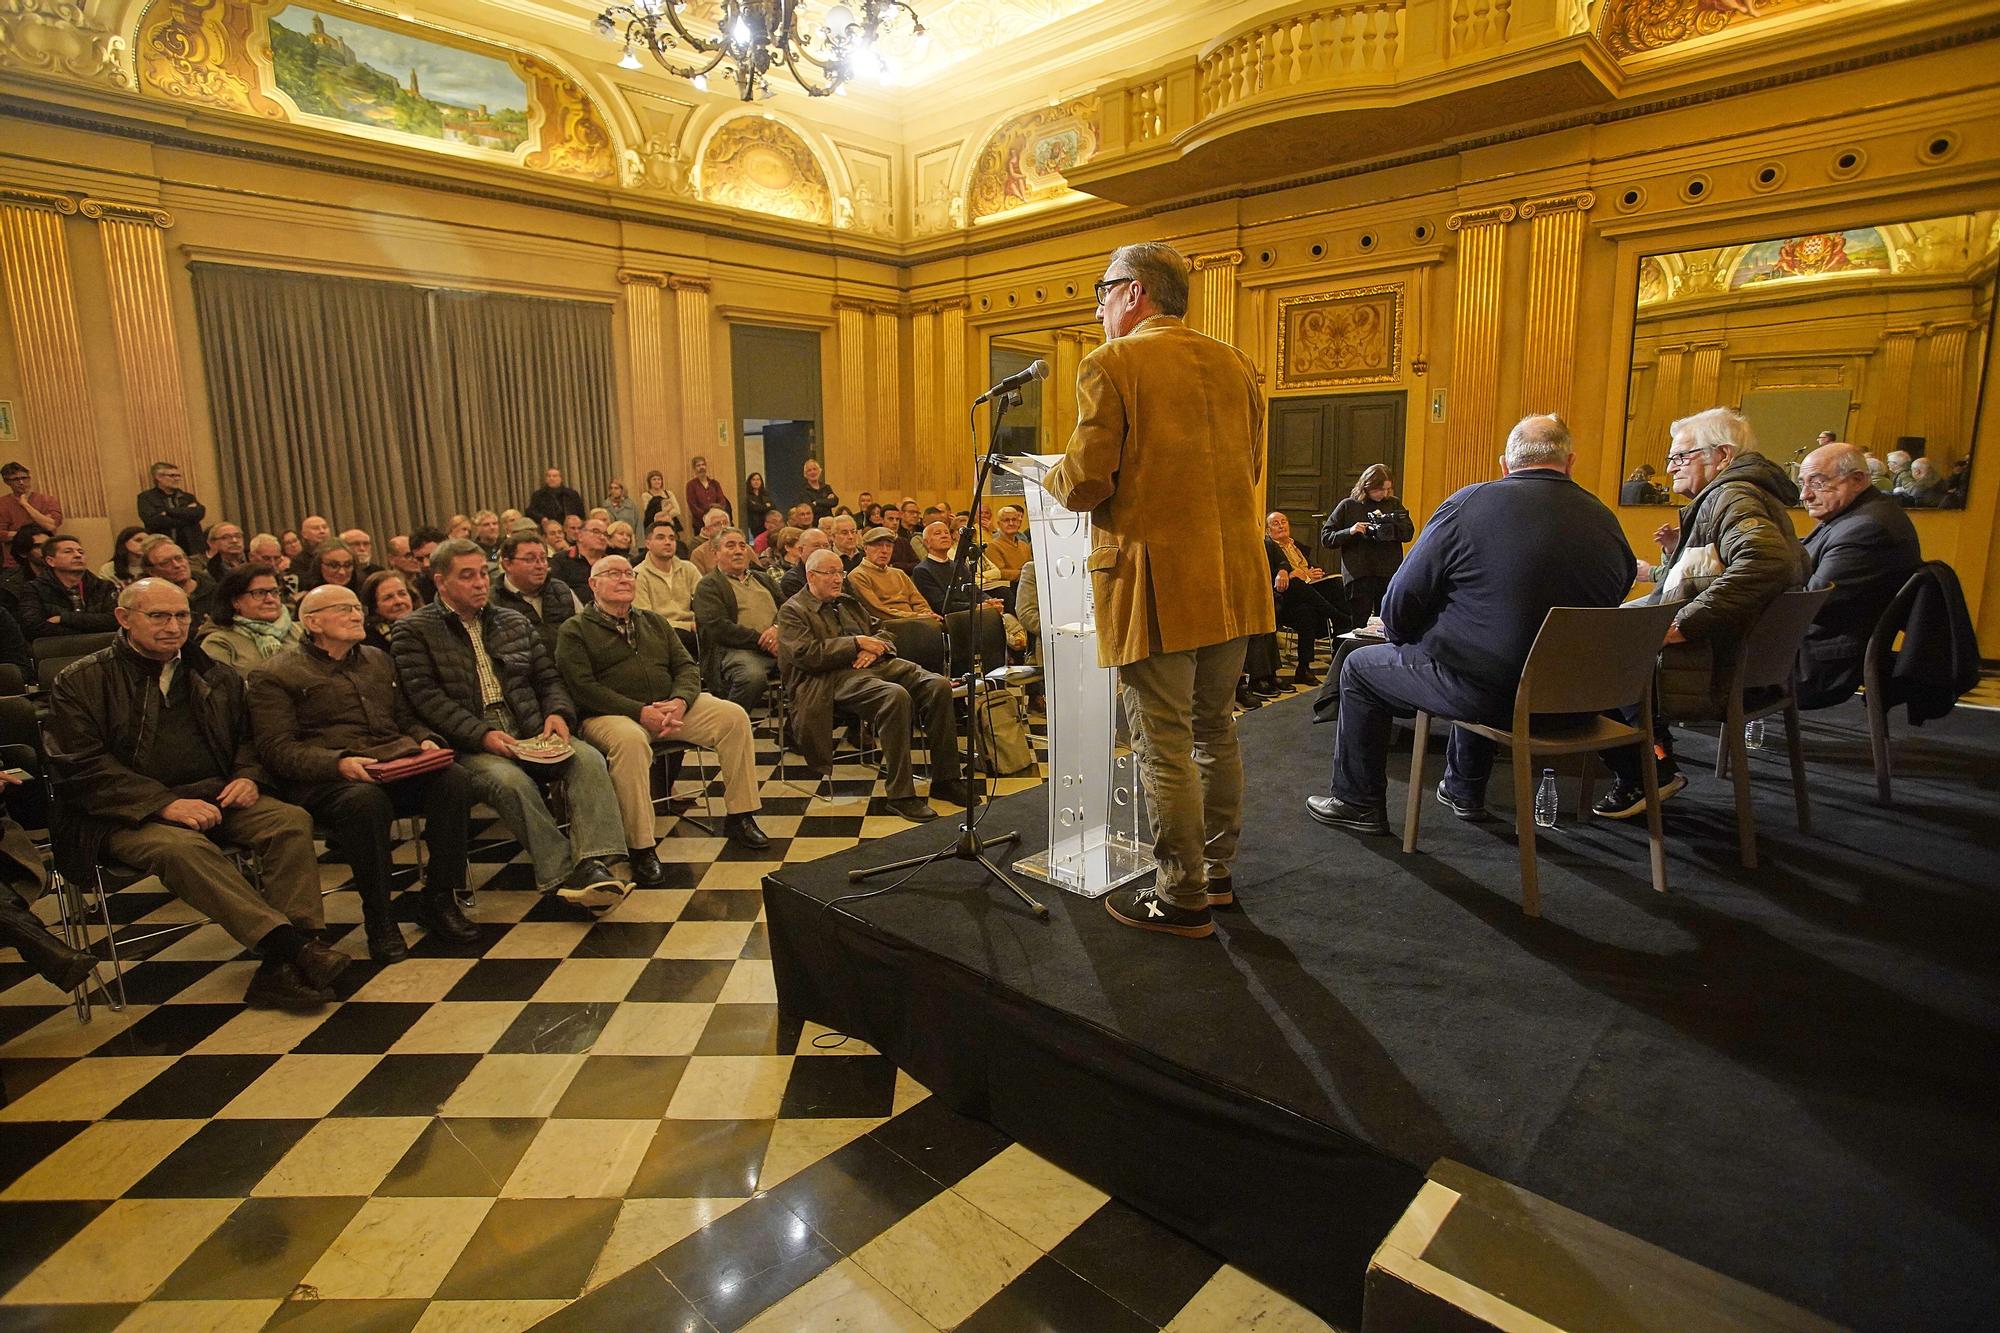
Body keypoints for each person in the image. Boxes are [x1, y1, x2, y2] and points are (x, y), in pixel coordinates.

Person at [1043, 242, 1271, 938]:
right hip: (1232, 577)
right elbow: (1254, 464)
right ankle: (1216, 872)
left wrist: (1044, 475)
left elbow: (1085, 482)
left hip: (1154, 583)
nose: (1099, 305)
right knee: (1214, 731)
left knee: (1162, 741)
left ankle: (1181, 893)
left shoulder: (1112, 363)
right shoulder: (1234, 361)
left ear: (1135, 292)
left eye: (1103, 289)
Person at [1308, 415, 1634, 835]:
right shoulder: (1605, 518)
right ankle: (1462, 788)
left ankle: (1357, 802)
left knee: (1359, 667)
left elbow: (1399, 603)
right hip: (1585, 702)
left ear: (1504, 464)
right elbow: (1619, 590)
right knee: (1485, 648)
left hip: (1493, 698)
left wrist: (1409, 640)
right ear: (1570, 463)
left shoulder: (1469, 504)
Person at [45, 579, 348, 1010]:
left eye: (182, 615)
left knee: (288, 820)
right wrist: (163, 803)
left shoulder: (213, 673)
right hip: (120, 813)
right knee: (181, 848)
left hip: (213, 796)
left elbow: (249, 739)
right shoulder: (81, 680)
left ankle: (289, 962)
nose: (173, 626)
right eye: (159, 616)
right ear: (123, 618)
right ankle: (291, 948)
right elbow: (79, 765)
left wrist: (248, 777)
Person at [391, 540, 628, 910]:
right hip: (467, 743)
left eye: (483, 574)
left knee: (587, 759)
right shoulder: (413, 630)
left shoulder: (511, 621)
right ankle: (562, 877)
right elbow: (425, 700)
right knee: (511, 781)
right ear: (440, 582)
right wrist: (482, 735)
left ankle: (594, 863)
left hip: (529, 726)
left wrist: (557, 714)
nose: (479, 583)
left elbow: (548, 679)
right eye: (466, 576)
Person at [1593, 407, 1805, 818]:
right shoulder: (1746, 494)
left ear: (1721, 455)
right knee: (1609, 641)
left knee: (1588, 660)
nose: (1670, 468)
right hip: (1738, 663)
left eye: (1681, 456)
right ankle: (1654, 760)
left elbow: (1767, 563)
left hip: (1709, 667)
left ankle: (1648, 772)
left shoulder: (1732, 495)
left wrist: (1684, 624)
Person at [249, 583, 479, 961]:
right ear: (312, 622)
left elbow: (405, 716)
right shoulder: (275, 674)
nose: (356, 615)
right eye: (343, 609)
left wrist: (425, 740)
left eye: (357, 607)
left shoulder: (377, 658)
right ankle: (380, 918)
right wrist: (337, 763)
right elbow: (277, 750)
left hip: (390, 763)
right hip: (328, 780)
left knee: (453, 779)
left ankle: (438, 898)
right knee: (365, 802)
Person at [558, 555, 771, 862]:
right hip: (609, 715)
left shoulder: (653, 621)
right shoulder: (574, 630)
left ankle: (741, 815)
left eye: (628, 574)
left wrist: (680, 701)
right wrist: (640, 711)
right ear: (593, 584)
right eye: (613, 574)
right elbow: (583, 688)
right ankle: (641, 846)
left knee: (733, 717)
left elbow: (686, 665)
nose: (623, 579)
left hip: (670, 707)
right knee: (631, 743)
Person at [777, 549, 972, 821]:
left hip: (876, 665)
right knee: (895, 696)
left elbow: (883, 630)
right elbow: (807, 655)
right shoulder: (793, 610)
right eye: (830, 573)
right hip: (829, 678)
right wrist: (856, 644)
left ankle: (946, 779)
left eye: (840, 573)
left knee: (937, 685)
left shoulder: (847, 601)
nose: (837, 579)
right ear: (810, 576)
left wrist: (874, 648)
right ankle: (901, 794)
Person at [1794, 441, 1923, 709]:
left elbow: (1807, 604)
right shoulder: (1857, 516)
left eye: (1817, 483)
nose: (1804, 495)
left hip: (1816, 664)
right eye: (1802, 483)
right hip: (1816, 648)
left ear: (1857, 479)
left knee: (1698, 650)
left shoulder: (1866, 528)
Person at [693, 527, 784, 711]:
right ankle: (729, 725)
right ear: (716, 552)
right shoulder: (709, 585)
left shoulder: (763, 579)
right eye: (730, 546)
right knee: (752, 676)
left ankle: (795, 732)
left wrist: (776, 629)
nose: (738, 551)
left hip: (778, 646)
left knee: (815, 666)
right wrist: (764, 641)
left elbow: (788, 609)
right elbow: (718, 628)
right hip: (736, 650)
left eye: (742, 545)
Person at [1322, 465, 1413, 626]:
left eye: (1387, 489)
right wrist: (1351, 531)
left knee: (1385, 622)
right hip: (1360, 574)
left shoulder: (1393, 504)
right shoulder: (1348, 505)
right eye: (1379, 490)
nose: (1384, 494)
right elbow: (1327, 538)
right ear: (1367, 486)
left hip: (1387, 571)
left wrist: (1392, 526)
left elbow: (1408, 534)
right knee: (1359, 622)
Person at [1265, 511, 1347, 685]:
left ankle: (1306, 666)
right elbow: (1272, 576)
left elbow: (1309, 569)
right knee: (1297, 586)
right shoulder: (1267, 547)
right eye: (1275, 523)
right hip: (1284, 597)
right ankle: (1338, 616)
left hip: (1306, 595)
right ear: (1267, 530)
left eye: (1284, 521)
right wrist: (1293, 574)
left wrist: (1314, 573)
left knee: (1335, 585)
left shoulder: (1297, 546)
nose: (1281, 525)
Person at [492, 531, 583, 654]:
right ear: (507, 564)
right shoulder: (492, 602)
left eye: (543, 558)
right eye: (530, 559)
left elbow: (585, 634)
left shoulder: (561, 590)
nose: (540, 565)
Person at [198, 563, 302, 669]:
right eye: (260, 593)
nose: (270, 599)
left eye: (275, 592)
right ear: (236, 601)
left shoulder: (301, 630)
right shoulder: (219, 643)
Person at [21, 533, 119, 639]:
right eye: (68, 552)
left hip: (100, 647)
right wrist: (88, 631)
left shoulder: (104, 586)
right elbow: (33, 627)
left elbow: (115, 620)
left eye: (81, 552)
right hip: (56, 651)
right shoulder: (34, 589)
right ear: (50, 561)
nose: (78, 555)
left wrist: (65, 619)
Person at [633, 518, 702, 649]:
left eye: (671, 538)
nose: (667, 542)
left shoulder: (688, 568)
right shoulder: (638, 574)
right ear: (648, 544)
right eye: (660, 538)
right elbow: (646, 619)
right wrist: (687, 626)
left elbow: (705, 601)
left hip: (694, 628)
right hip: (660, 632)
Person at [140, 536, 221, 627]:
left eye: (179, 558)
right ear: (152, 572)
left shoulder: (217, 591)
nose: (177, 565)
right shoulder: (148, 600)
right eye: (166, 563)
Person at [136, 460, 207, 553]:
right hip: (161, 549)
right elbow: (153, 521)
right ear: (159, 477)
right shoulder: (146, 497)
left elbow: (199, 513)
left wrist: (169, 512)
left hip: (192, 550)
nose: (177, 479)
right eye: (172, 475)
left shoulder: (187, 497)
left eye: (178, 476)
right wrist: (187, 517)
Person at [0, 462, 60, 569]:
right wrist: (35, 535)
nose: (21, 482)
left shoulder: (47, 500)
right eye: (15, 479)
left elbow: (51, 526)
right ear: (7, 482)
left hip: (47, 559)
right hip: (14, 563)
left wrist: (25, 505)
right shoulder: (2, 504)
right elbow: (1, 534)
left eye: (24, 478)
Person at [360, 569, 417, 653]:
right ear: (374, 606)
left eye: (402, 594)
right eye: (388, 598)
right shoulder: (368, 641)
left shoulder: (430, 624)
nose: (398, 601)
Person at [781, 527, 831, 601]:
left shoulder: (837, 573)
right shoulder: (791, 580)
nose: (822, 550)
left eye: (826, 546)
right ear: (801, 550)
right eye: (816, 546)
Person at [686, 455, 730, 526]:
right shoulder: (691, 485)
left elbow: (722, 502)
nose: (701, 467)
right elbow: (692, 505)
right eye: (698, 465)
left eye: (703, 465)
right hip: (700, 523)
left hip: (717, 522)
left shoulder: (715, 484)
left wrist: (715, 515)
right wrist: (706, 517)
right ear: (694, 469)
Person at [687, 506, 732, 575]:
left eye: (725, 523)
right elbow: (700, 583)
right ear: (707, 530)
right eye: (717, 524)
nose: (723, 527)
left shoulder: (744, 548)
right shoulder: (699, 554)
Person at [642, 471, 683, 537]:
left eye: (659, 479)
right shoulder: (646, 495)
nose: (657, 481)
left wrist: (662, 515)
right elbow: (650, 513)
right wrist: (668, 509)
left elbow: (677, 511)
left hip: (671, 525)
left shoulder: (669, 493)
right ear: (649, 482)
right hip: (655, 527)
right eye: (654, 479)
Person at [799, 457, 840, 521]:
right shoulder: (803, 491)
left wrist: (817, 502)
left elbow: (834, 502)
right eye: (809, 470)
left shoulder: (826, 487)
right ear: (805, 474)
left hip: (829, 521)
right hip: (814, 523)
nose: (812, 472)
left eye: (814, 469)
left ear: (819, 471)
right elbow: (810, 508)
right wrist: (826, 501)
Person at [743, 471, 775, 537]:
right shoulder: (746, 495)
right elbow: (754, 508)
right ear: (750, 482)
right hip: (755, 525)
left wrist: (760, 507)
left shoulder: (765, 494)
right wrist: (765, 506)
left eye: (758, 479)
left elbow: (773, 507)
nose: (756, 482)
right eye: (753, 480)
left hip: (766, 524)